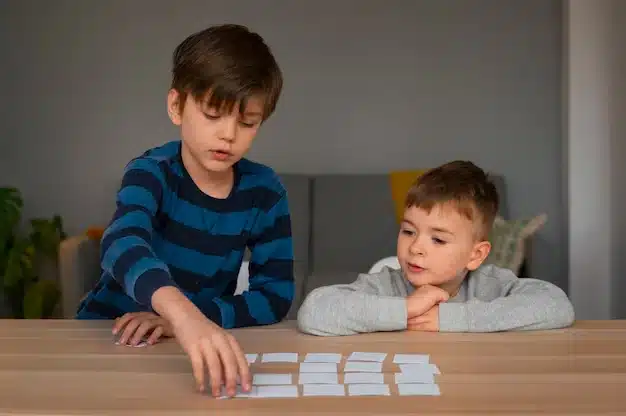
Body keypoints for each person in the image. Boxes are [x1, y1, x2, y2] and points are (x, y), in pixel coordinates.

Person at [76, 24, 294, 398]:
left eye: (247, 123)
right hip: (108, 336)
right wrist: (181, 314)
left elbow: (274, 296)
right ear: (177, 106)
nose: (228, 134)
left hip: (184, 345)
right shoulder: (151, 172)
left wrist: (185, 322)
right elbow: (121, 243)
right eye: (213, 114)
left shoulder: (265, 191)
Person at [297, 160, 575, 336]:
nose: (415, 247)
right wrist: (405, 309)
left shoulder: (490, 286)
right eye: (408, 231)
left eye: (438, 239)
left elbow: (556, 306)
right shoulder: (387, 285)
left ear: (475, 255)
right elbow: (314, 311)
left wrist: (451, 318)